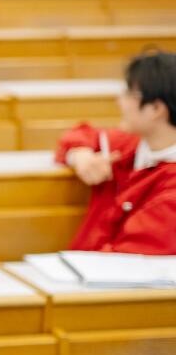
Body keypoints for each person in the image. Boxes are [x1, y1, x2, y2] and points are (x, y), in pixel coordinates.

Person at [55, 50, 176, 254]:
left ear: (156, 109)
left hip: (109, 277)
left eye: (129, 93)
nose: (119, 100)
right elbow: (76, 135)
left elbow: (129, 256)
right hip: (82, 268)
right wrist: (80, 155)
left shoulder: (170, 186)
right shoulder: (130, 145)